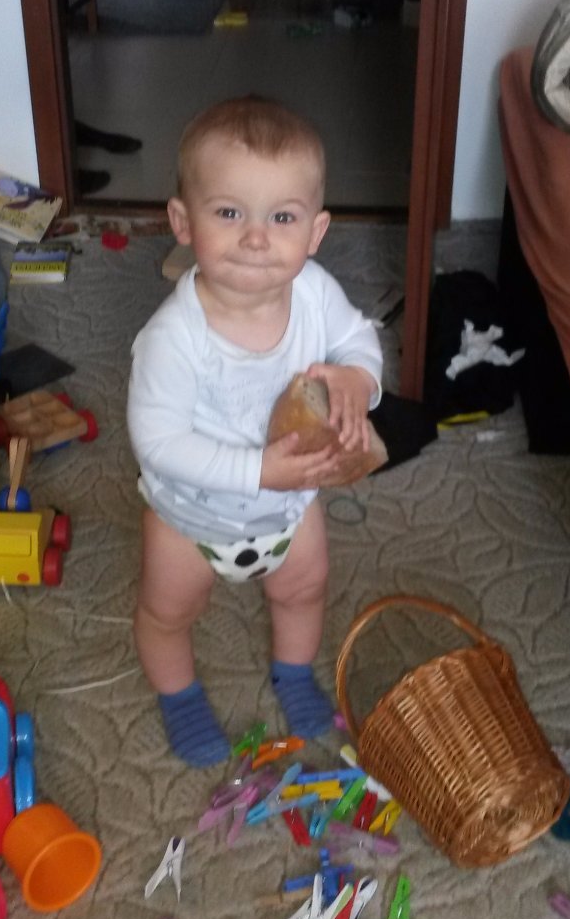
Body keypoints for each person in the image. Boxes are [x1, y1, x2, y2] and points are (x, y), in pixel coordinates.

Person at [127, 96, 383, 766]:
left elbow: (358, 337)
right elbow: (158, 442)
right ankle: (180, 695)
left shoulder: (316, 294)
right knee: (168, 612)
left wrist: (359, 378)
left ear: (316, 232)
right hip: (190, 516)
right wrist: (258, 471)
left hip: (291, 508)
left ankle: (293, 674)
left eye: (283, 217)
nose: (257, 237)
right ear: (182, 221)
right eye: (229, 213)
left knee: (303, 590)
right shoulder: (172, 338)